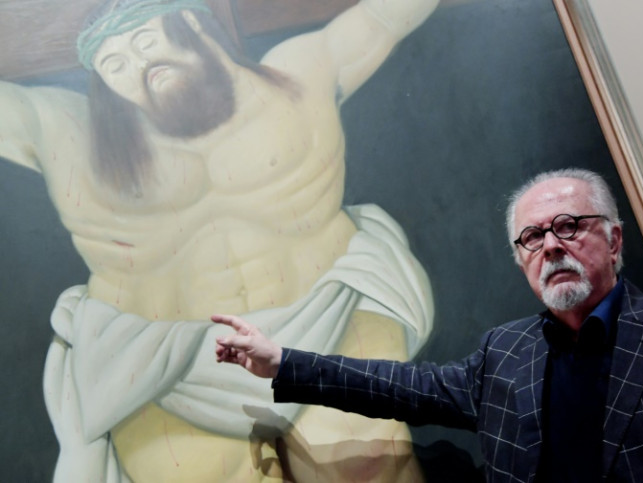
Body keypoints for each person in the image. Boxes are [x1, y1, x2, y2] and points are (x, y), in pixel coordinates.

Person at [1, 0, 440, 481]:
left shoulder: (300, 76)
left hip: (326, 323)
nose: (142, 67)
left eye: (146, 43)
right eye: (115, 66)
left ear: (190, 22)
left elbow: (388, 15)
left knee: (373, 468)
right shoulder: (66, 134)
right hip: (167, 369)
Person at [214, 168, 643, 482]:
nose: (550, 245)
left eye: (569, 226)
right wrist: (283, 361)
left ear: (615, 240)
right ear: (521, 259)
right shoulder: (505, 353)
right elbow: (403, 388)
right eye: (531, 237)